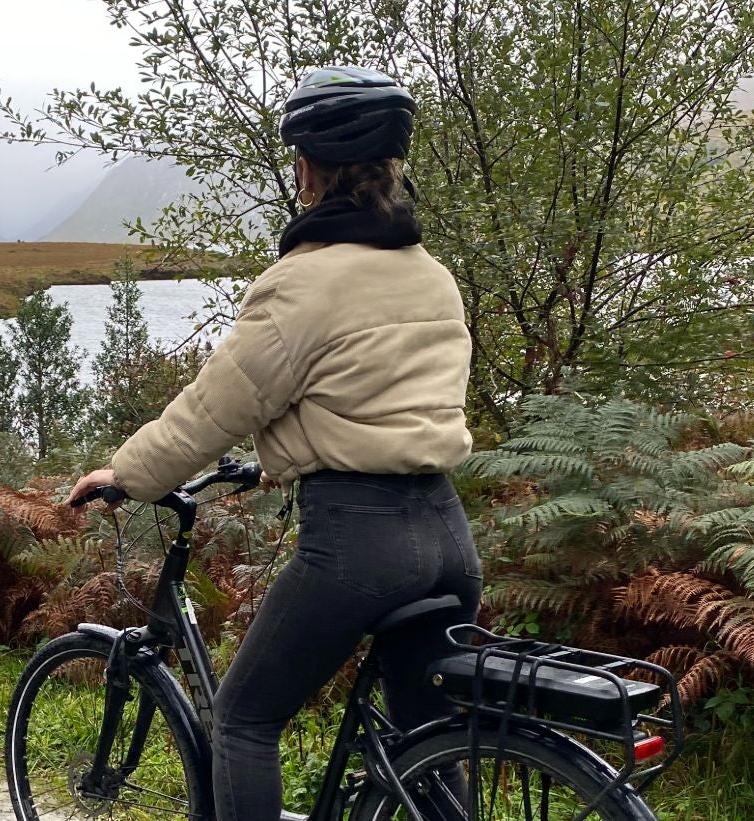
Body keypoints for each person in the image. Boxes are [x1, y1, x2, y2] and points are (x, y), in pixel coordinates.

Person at [66, 66, 482, 821]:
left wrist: (126, 473)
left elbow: (211, 410)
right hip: (448, 535)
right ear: (393, 169)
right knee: (432, 742)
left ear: (307, 171)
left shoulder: (301, 283)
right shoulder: (433, 276)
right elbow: (378, 399)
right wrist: (284, 455)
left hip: (359, 544)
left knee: (243, 720)